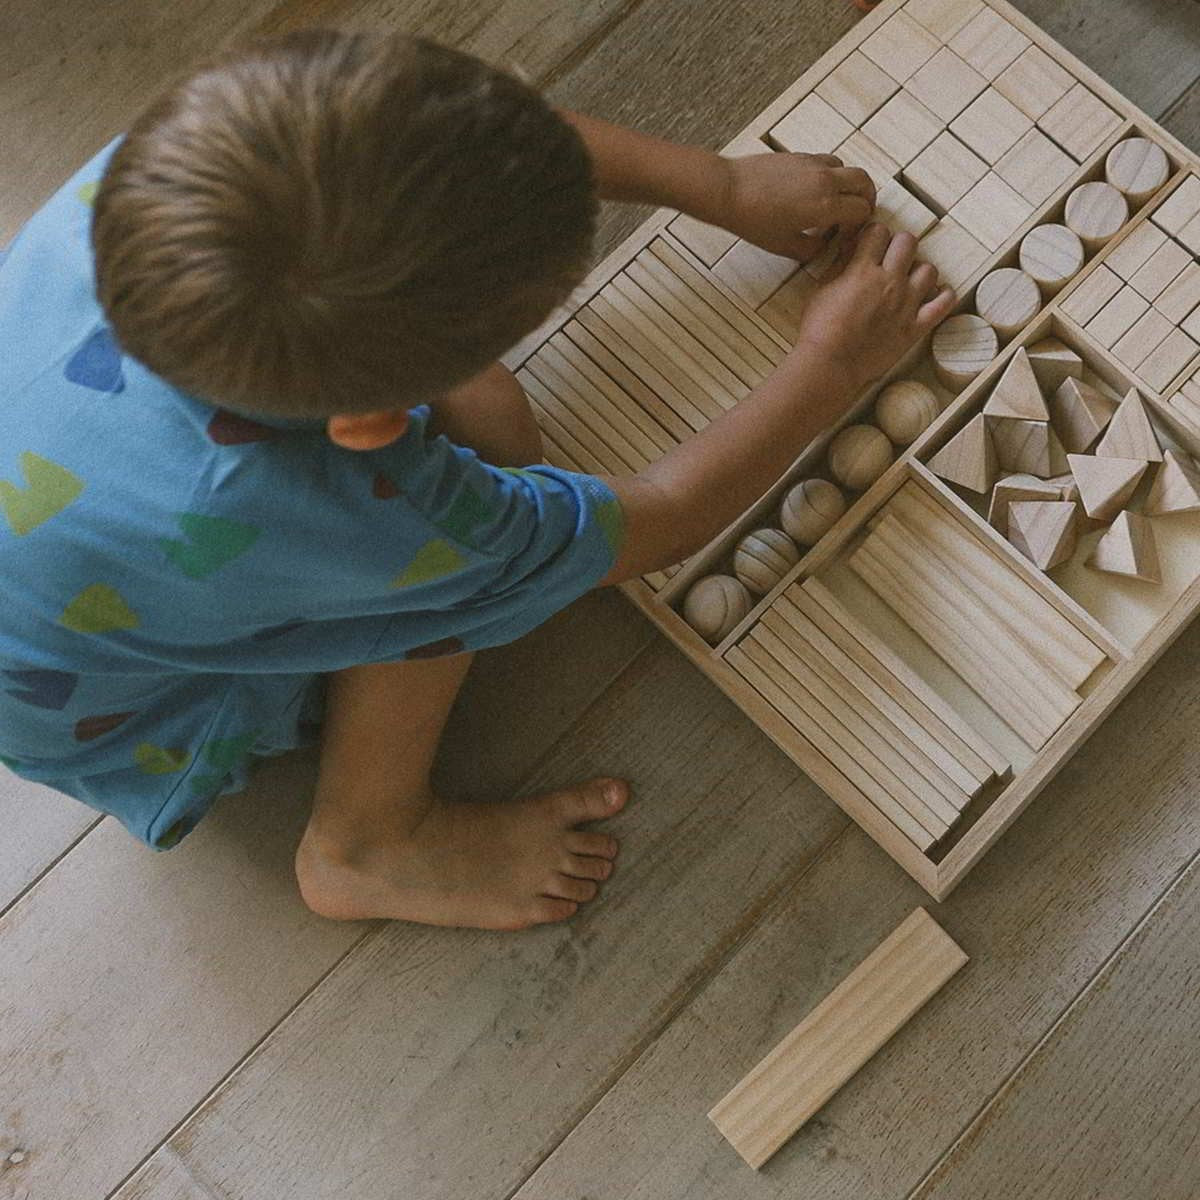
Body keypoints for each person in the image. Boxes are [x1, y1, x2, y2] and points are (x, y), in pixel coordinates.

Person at [0, 30, 953, 930]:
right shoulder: (367, 512)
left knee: (482, 404)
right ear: (368, 425)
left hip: (58, 540)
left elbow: (459, 140)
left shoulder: (179, 169)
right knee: (472, 483)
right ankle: (367, 842)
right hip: (109, 702)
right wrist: (830, 366)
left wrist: (718, 183)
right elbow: (659, 519)